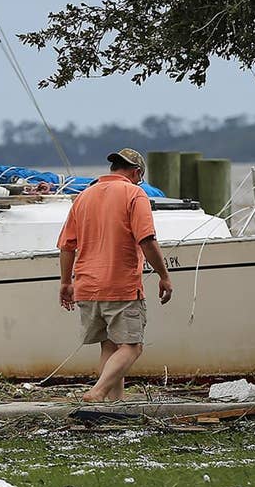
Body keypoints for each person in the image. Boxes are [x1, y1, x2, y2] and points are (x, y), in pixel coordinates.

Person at [56, 148, 172, 402]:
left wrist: (66, 282)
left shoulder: (83, 196)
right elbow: (147, 239)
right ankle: (97, 392)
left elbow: (66, 246)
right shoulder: (134, 193)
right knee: (132, 347)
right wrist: (164, 275)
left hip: (87, 287)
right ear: (137, 173)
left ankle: (114, 403)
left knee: (109, 345)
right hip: (121, 286)